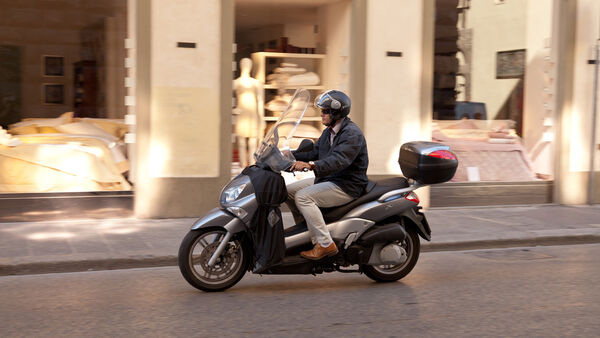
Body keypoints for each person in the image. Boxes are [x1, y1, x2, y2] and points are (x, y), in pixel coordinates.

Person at [287, 90, 369, 260]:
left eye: (325, 111)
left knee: (303, 197)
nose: (321, 115)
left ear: (336, 112)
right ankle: (308, 230)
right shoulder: (329, 132)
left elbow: (338, 161)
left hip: (346, 185)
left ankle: (325, 244)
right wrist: (287, 156)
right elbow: (314, 153)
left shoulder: (351, 134)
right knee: (287, 191)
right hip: (330, 180)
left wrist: (310, 166)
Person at [233, 58, 264, 167]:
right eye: (244, 64)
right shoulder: (236, 82)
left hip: (253, 114)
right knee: (241, 142)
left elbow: (260, 100)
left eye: (248, 64)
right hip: (241, 113)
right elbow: (225, 96)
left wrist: (261, 117)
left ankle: (252, 164)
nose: (246, 66)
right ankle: (242, 165)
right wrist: (233, 109)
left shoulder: (255, 83)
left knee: (252, 142)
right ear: (240, 65)